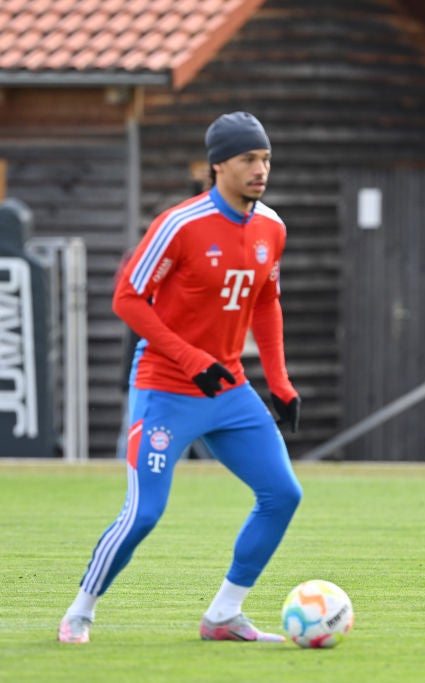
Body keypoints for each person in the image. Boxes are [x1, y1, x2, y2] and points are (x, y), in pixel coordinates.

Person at [59, 111, 303, 643]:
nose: (261, 169)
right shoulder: (180, 225)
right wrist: (192, 360)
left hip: (230, 390)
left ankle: (223, 615)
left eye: (265, 158)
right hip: (166, 389)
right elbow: (127, 299)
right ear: (219, 165)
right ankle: (80, 609)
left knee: (283, 494)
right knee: (144, 513)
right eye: (248, 159)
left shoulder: (272, 228)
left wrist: (279, 383)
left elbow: (266, 302)